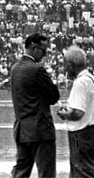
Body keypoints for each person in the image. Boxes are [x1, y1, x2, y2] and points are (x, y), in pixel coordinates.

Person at [10, 33, 60, 178]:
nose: (44, 55)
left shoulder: (15, 69)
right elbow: (53, 97)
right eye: (43, 51)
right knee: (46, 173)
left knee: (20, 173)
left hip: (21, 130)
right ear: (33, 47)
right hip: (41, 131)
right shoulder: (37, 69)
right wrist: (50, 77)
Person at [56, 46, 94, 178]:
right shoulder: (93, 80)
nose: (65, 69)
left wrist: (65, 114)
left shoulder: (80, 82)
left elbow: (78, 113)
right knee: (85, 171)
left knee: (80, 173)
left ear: (71, 65)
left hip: (82, 134)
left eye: (65, 65)